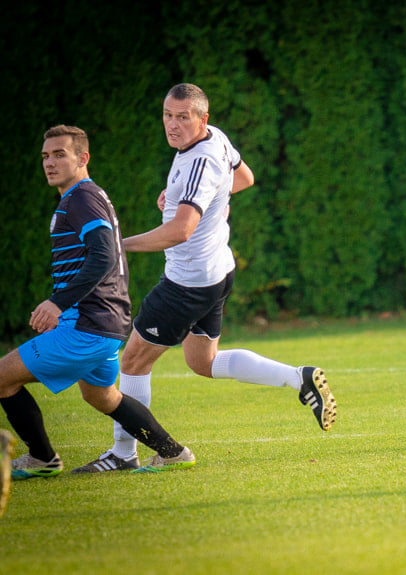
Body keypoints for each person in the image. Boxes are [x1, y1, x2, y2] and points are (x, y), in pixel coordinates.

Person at [74, 83, 337, 473]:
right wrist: (196, 197)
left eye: (183, 117)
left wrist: (116, 244)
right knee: (203, 362)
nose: (173, 125)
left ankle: (123, 454)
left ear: (203, 119)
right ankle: (297, 379)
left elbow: (180, 231)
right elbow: (244, 178)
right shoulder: (217, 140)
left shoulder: (200, 162)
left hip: (187, 282)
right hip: (216, 272)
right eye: (168, 115)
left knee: (132, 363)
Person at [0, 125, 195, 479]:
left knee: (2, 378)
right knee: (102, 397)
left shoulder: (81, 198)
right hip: (104, 324)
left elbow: (104, 255)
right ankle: (172, 452)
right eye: (46, 156)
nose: (50, 162)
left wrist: (58, 303)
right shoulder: (84, 197)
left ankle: (42, 458)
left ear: (82, 158)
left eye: (60, 154)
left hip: (86, 325)